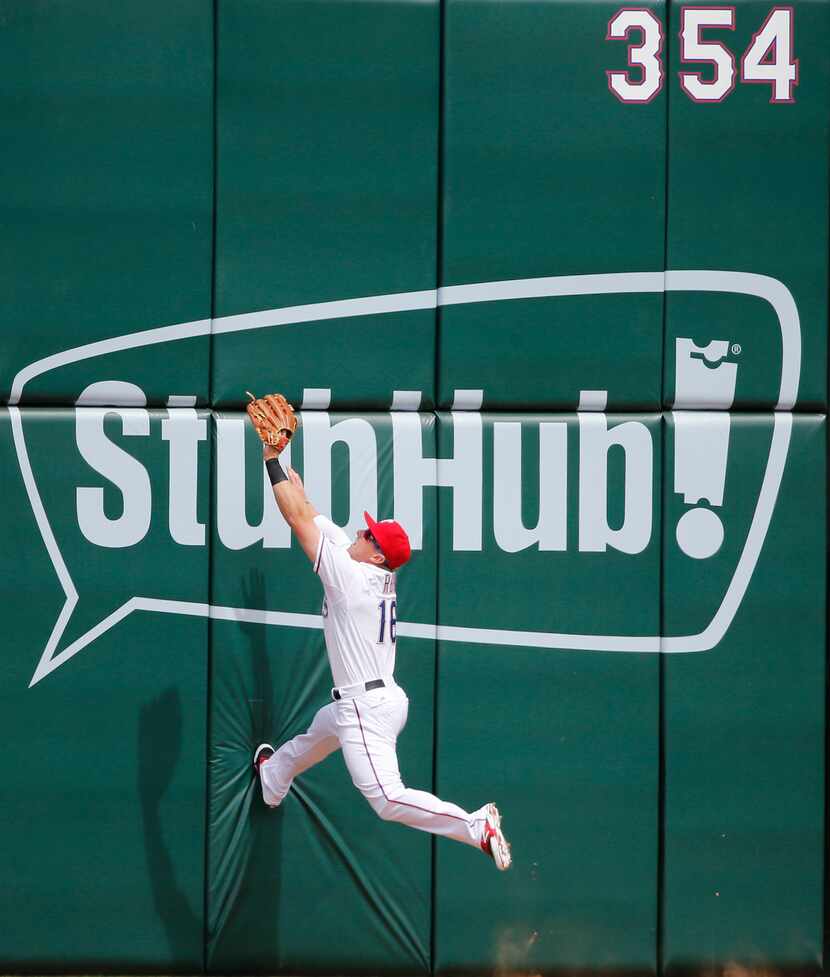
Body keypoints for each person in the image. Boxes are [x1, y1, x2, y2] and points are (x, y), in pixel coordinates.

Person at [252, 442, 512, 870]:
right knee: (319, 732)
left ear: (376, 555)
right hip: (372, 699)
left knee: (387, 799)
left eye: (368, 534)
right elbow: (312, 513)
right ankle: (272, 777)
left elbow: (298, 519)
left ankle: (473, 825)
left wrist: (270, 458)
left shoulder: (351, 578)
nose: (359, 531)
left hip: (365, 707)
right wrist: (296, 486)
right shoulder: (365, 567)